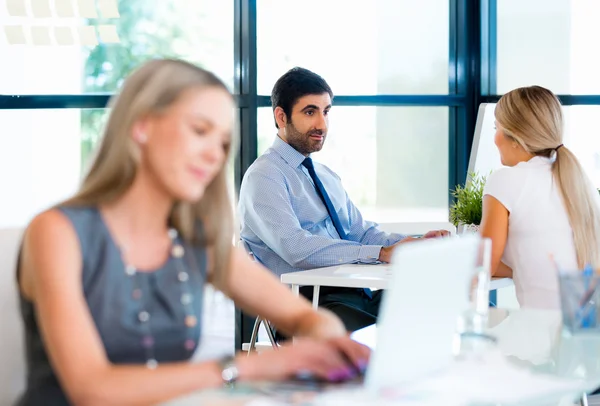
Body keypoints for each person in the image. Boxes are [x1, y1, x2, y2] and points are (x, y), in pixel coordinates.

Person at [15, 59, 370, 406]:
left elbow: (301, 316)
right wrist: (251, 366)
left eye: (222, 142)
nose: (214, 155)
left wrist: (327, 340)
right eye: (200, 131)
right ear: (142, 126)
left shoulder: (195, 236)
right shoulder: (57, 232)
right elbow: (92, 390)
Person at [238, 67, 448, 333]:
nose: (322, 125)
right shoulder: (265, 176)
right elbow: (296, 248)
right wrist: (381, 254)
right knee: (393, 333)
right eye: (310, 112)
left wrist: (413, 245)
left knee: (446, 296)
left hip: (354, 296)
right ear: (281, 116)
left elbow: (361, 233)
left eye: (326, 112)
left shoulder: (326, 176)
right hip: (306, 309)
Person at [480, 85, 600, 309]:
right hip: (586, 334)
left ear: (514, 137)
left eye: (497, 128)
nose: (495, 138)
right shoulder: (580, 184)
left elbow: (482, 266)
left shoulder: (506, 180)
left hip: (541, 334)